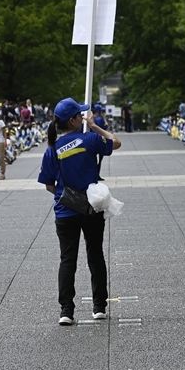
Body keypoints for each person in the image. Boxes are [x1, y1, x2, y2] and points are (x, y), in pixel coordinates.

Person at [38, 98, 121, 326]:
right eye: (80, 115)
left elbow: (48, 184)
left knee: (68, 259)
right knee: (95, 255)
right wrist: (94, 125)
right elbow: (115, 142)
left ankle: (66, 310)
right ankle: (99, 307)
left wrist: (66, 195)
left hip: (65, 211)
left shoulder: (52, 150)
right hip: (91, 208)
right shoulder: (90, 139)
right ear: (74, 120)